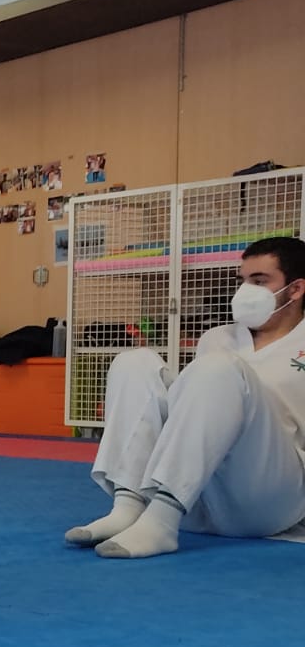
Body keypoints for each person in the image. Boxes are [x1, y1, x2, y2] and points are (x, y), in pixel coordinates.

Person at [66, 235, 305, 557]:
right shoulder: (216, 339)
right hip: (200, 499)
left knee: (221, 369)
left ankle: (162, 522)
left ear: (296, 289)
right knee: (134, 362)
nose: (246, 290)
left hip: (270, 499)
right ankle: (129, 506)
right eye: (243, 280)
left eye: (259, 281)